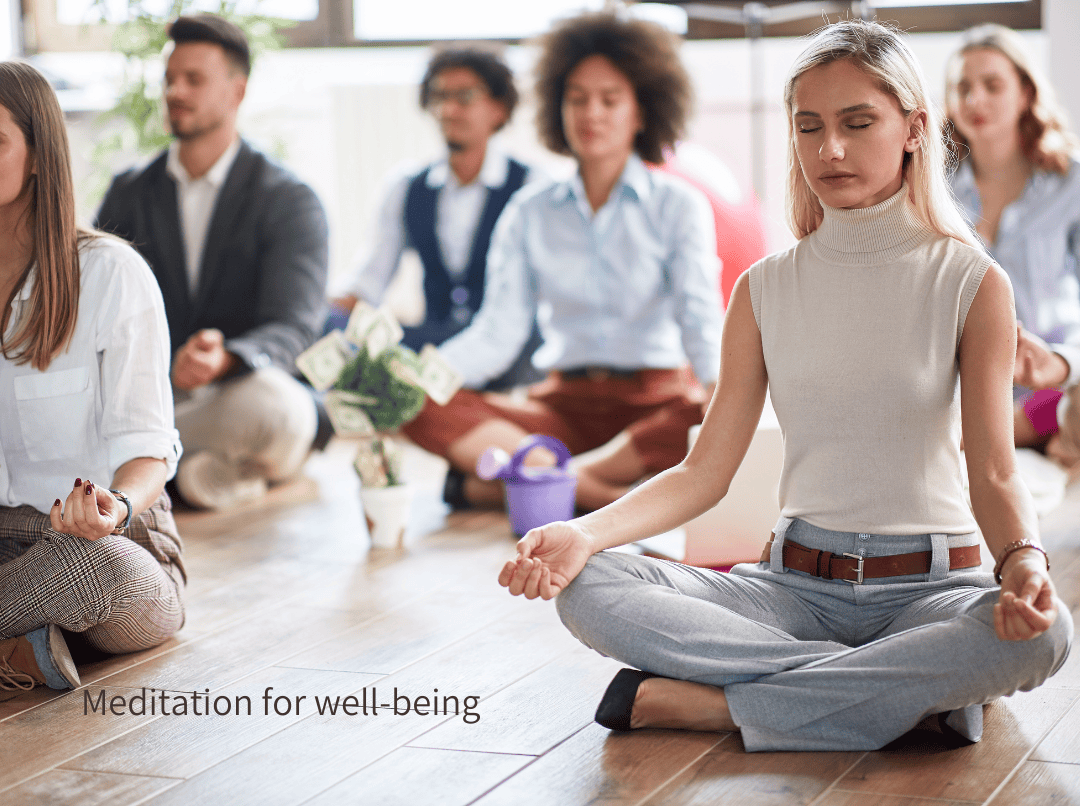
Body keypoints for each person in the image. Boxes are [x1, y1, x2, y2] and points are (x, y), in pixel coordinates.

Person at [498, 20, 1071, 753]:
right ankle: (906, 699)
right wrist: (582, 533)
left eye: (857, 123)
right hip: (790, 592)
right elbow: (704, 473)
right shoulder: (763, 289)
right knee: (589, 586)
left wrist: (1023, 564)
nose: (829, 149)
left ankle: (728, 707)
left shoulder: (972, 280)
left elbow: (993, 470)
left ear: (913, 129)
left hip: (935, 591)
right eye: (809, 127)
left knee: (1045, 634)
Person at [400, 12, 722, 512]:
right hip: (561, 413)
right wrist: (424, 376)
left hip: (654, 407)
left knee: (714, 412)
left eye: (610, 100)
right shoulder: (529, 211)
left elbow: (699, 319)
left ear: (641, 112)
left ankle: (532, 484)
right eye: (577, 98)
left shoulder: (679, 206)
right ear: (558, 107)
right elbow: (498, 332)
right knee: (413, 400)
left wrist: (721, 395)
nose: (591, 113)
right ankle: (606, 496)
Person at [0, 62, 184, 694]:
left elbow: (148, 452)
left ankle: (27, 636)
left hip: (107, 548)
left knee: (95, 566)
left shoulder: (111, 274)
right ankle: (25, 646)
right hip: (6, 552)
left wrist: (116, 507)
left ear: (38, 157)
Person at [95, 14, 329, 511]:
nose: (174, 91)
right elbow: (97, 304)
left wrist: (226, 359)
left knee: (280, 409)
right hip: (153, 394)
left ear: (236, 92)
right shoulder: (129, 193)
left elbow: (295, 325)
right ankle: (199, 474)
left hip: (236, 391)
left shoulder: (289, 199)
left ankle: (152, 471)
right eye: (169, 79)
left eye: (193, 79)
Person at [332, 48, 541, 391]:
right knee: (346, 342)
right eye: (439, 97)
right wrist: (319, 312)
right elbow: (370, 280)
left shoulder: (533, 188)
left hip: (513, 354)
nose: (448, 110)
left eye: (465, 97)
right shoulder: (406, 187)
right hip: (436, 344)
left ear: (499, 108)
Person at [946, 24, 1080, 472]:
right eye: (963, 88)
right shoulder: (933, 190)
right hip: (964, 387)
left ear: (1025, 92)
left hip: (1052, 380)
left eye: (992, 85)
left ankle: (1038, 426)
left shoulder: (1071, 182)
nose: (975, 100)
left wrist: (1061, 364)